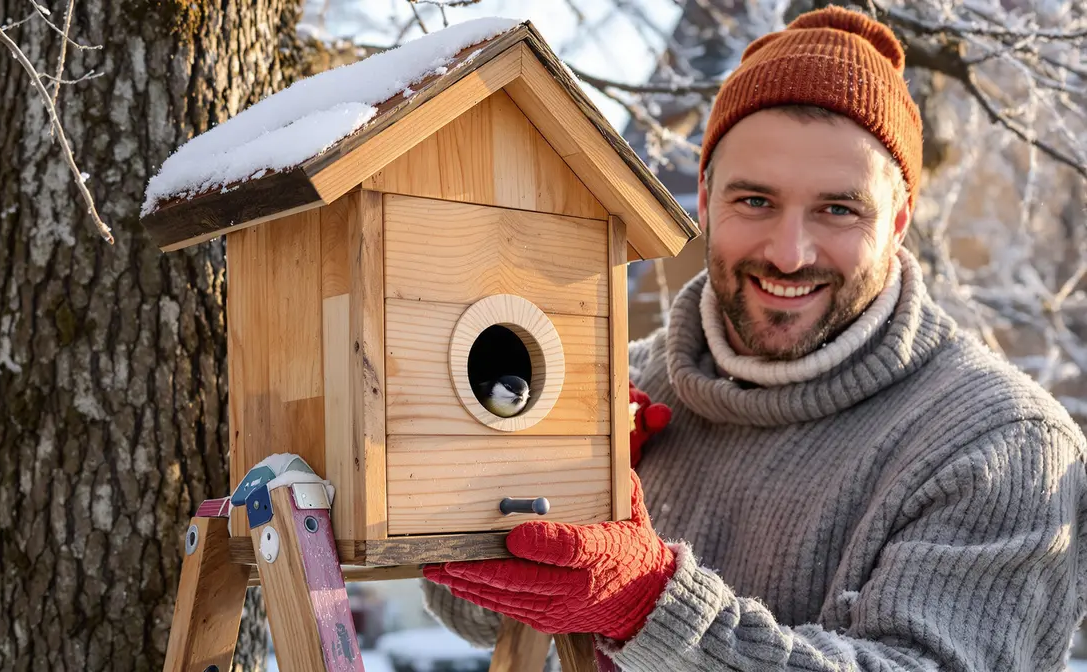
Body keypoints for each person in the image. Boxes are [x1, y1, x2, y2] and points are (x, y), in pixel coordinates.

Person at [420, 5, 1087, 670]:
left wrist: (650, 606)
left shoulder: (1004, 443)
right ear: (706, 202)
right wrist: (520, 494)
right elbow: (473, 612)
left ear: (899, 221)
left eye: (838, 209)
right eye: (755, 202)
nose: (790, 253)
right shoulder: (622, 390)